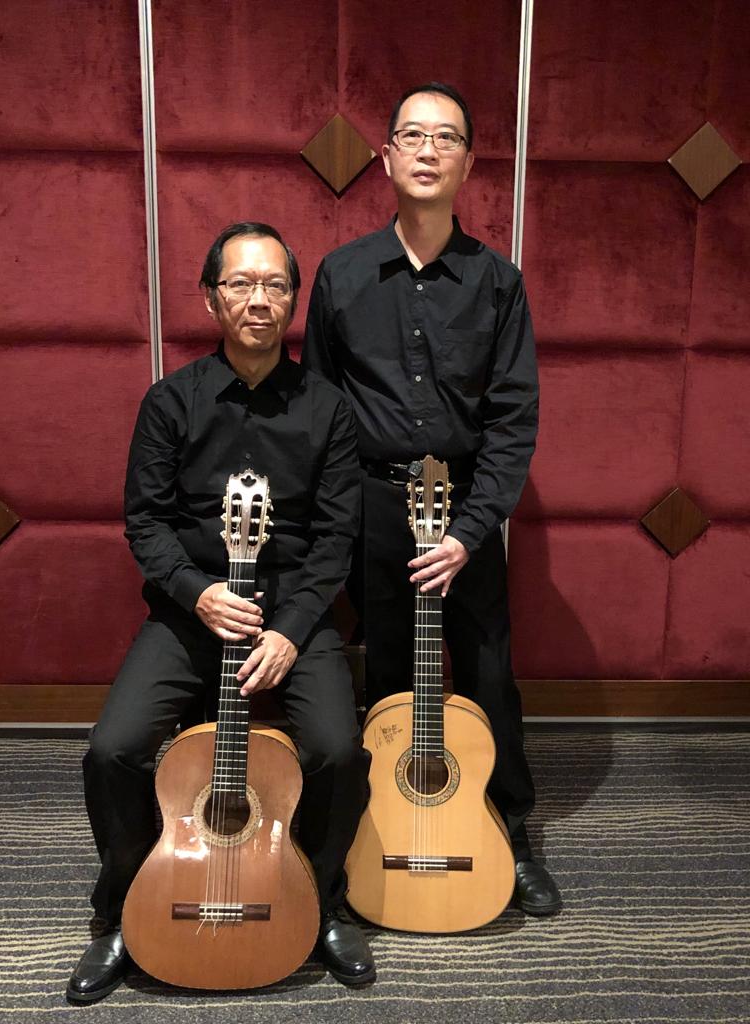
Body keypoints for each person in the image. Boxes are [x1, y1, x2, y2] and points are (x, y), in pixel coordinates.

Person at [66, 223, 375, 1004]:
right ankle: (124, 907)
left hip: (291, 612)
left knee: (340, 751)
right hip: (194, 608)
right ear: (211, 298)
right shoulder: (171, 402)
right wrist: (196, 592)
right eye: (240, 283)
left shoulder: (330, 411)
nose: (258, 299)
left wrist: (291, 630)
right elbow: (146, 522)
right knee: (112, 750)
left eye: (275, 284)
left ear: (293, 300)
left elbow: (335, 539)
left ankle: (322, 901)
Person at [303, 83, 560, 916]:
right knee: (385, 678)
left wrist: (471, 531)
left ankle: (509, 831)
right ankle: (382, 833)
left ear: (468, 162)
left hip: (466, 511)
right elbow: (320, 410)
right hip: (375, 509)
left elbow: (513, 419)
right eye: (411, 135)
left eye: (445, 137)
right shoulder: (342, 275)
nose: (426, 149)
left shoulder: (497, 282)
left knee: (488, 676)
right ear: (385, 157)